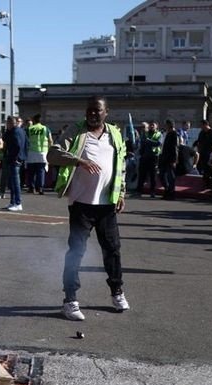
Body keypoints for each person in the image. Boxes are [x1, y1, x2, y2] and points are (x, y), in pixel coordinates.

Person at [47, 96, 130, 319]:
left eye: (97, 110)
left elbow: (121, 164)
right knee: (76, 251)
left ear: (106, 112)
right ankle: (70, 300)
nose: (92, 114)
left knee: (112, 250)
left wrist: (121, 192)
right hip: (81, 204)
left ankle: (117, 292)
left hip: (106, 205)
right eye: (89, 110)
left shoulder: (114, 133)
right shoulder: (75, 131)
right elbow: (52, 154)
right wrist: (79, 161)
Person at [1, 115, 26, 211]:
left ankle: (17, 203)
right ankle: (13, 202)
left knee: (15, 182)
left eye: (8, 123)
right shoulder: (20, 131)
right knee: (13, 182)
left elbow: (17, 146)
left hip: (14, 159)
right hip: (16, 158)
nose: (7, 125)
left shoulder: (15, 132)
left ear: (11, 123)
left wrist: (16, 157)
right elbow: (26, 143)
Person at [26, 114, 54, 195]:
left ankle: (31, 188)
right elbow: (50, 141)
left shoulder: (30, 129)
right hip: (42, 153)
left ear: (34, 121)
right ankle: (40, 188)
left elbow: (26, 140)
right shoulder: (46, 129)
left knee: (31, 172)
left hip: (31, 153)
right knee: (41, 171)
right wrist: (50, 151)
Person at [137, 120, 162, 197]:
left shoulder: (159, 134)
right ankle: (139, 191)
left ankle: (152, 192)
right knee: (142, 175)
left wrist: (148, 141)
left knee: (153, 176)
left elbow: (158, 143)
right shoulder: (146, 133)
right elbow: (143, 143)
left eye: (153, 125)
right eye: (150, 125)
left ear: (156, 126)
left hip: (154, 157)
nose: (151, 126)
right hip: (145, 156)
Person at [195, 119, 212, 188]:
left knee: (209, 168)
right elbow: (199, 142)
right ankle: (206, 182)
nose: (201, 127)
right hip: (202, 153)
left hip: (210, 153)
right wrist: (198, 150)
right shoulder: (201, 133)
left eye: (201, 125)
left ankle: (211, 183)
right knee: (203, 168)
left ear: (206, 125)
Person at [158, 119, 179, 200]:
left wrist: (174, 160)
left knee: (171, 177)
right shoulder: (166, 133)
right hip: (163, 157)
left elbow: (175, 148)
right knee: (161, 175)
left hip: (170, 159)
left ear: (169, 125)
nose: (165, 126)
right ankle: (167, 189)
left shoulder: (174, 134)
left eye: (166, 124)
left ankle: (171, 193)